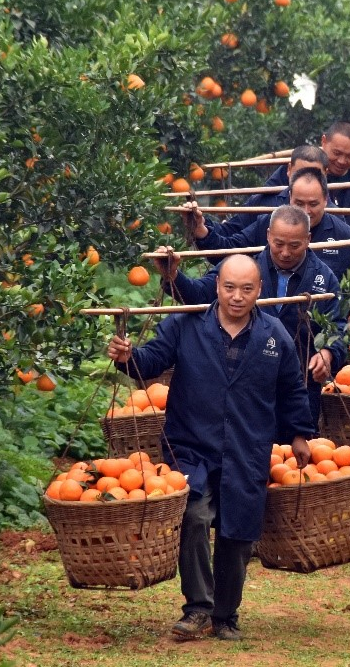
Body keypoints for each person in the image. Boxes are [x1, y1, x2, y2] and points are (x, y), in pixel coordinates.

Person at [106, 254, 313, 643]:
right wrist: (128, 357)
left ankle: (225, 614)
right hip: (191, 446)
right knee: (195, 516)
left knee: (238, 534)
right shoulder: (186, 325)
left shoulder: (273, 337)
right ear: (217, 287)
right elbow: (150, 361)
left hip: (248, 449)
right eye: (229, 287)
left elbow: (291, 390)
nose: (237, 297)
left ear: (259, 291)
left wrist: (300, 433)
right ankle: (198, 607)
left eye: (246, 289)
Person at [157, 204, 346, 423]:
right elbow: (199, 294)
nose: (285, 252)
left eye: (294, 245)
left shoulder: (323, 278)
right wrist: (173, 275)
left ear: (308, 239)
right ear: (268, 235)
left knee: (293, 454)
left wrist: (329, 353)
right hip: (243, 391)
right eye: (278, 244)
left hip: (299, 390)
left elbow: (338, 327)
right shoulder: (247, 268)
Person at [181, 168, 350, 281]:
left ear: (326, 199)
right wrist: (201, 229)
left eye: (313, 204)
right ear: (289, 196)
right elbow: (228, 251)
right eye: (299, 203)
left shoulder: (346, 237)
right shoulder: (268, 223)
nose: (306, 211)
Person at [264, 121, 350, 235]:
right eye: (336, 153)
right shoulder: (300, 165)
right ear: (324, 141)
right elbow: (265, 200)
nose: (342, 161)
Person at [208, 144, 328, 237]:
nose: (306, 180)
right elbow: (230, 234)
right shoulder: (262, 202)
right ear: (289, 170)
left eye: (314, 175)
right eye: (300, 173)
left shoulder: (334, 218)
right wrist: (203, 227)